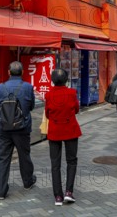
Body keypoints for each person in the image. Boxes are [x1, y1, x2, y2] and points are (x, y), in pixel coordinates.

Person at [0, 61, 37, 200]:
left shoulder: (0, 87)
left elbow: (0, 104)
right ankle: (27, 182)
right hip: (22, 127)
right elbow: (31, 106)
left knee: (2, 158)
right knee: (24, 155)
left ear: (9, 72)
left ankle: (1, 192)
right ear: (23, 72)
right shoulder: (28, 87)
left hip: (4, 128)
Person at [45, 68, 81, 206]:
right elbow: (76, 109)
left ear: (52, 80)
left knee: (55, 164)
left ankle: (58, 196)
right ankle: (69, 192)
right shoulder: (72, 93)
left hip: (54, 130)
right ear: (66, 79)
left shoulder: (48, 95)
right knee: (71, 161)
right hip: (70, 129)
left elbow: (47, 113)